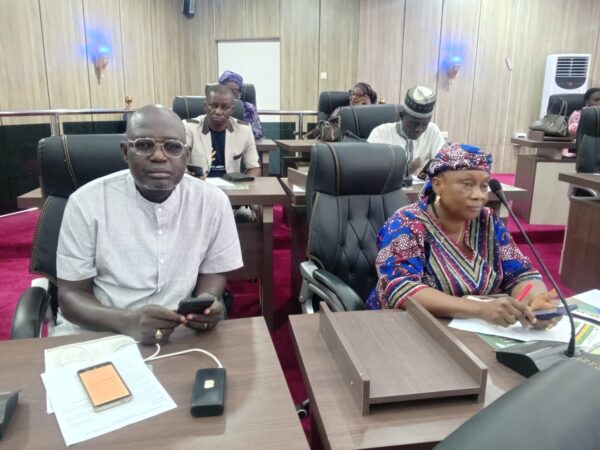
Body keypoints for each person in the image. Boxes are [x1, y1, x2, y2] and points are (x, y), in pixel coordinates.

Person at [54, 105, 243, 343]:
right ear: (125, 152)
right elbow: (70, 296)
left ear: (187, 155)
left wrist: (207, 301)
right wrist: (126, 321)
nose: (159, 156)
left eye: (173, 147)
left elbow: (215, 271)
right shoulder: (85, 203)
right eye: (144, 145)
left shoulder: (212, 201)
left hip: (179, 333)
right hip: (98, 332)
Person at [366, 142, 559, 329]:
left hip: (473, 329)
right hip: (403, 327)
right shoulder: (407, 223)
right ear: (438, 185)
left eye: (484, 186)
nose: (479, 195)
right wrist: (480, 309)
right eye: (467, 184)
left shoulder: (487, 221)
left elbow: (521, 274)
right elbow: (400, 288)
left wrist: (534, 302)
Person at [184, 84, 261, 179]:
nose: (218, 112)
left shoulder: (244, 130)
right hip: (199, 185)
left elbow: (254, 168)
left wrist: (245, 184)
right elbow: (179, 165)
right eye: (213, 106)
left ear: (232, 110)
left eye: (224, 107)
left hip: (232, 186)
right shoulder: (189, 128)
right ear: (205, 106)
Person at [368, 85, 445, 176]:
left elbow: (444, 162)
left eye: (424, 124)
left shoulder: (432, 131)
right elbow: (370, 170)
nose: (419, 129)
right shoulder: (381, 133)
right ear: (402, 115)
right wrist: (408, 170)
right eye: (414, 123)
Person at [219, 70, 264, 139]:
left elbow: (258, 133)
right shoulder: (215, 108)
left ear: (239, 93)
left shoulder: (249, 108)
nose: (230, 95)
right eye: (226, 90)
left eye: (234, 91)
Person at [562, 87, 600, 157]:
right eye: (596, 100)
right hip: (581, 151)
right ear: (587, 101)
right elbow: (574, 135)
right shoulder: (578, 115)